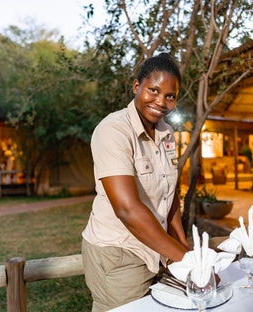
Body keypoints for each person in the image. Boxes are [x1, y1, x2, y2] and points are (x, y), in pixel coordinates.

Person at [81, 53, 190, 311]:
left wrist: (183, 250)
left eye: (170, 96)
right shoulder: (114, 130)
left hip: (158, 249)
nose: (161, 102)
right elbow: (127, 209)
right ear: (136, 86)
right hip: (119, 254)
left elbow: (169, 195)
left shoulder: (166, 132)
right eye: (153, 90)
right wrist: (188, 259)